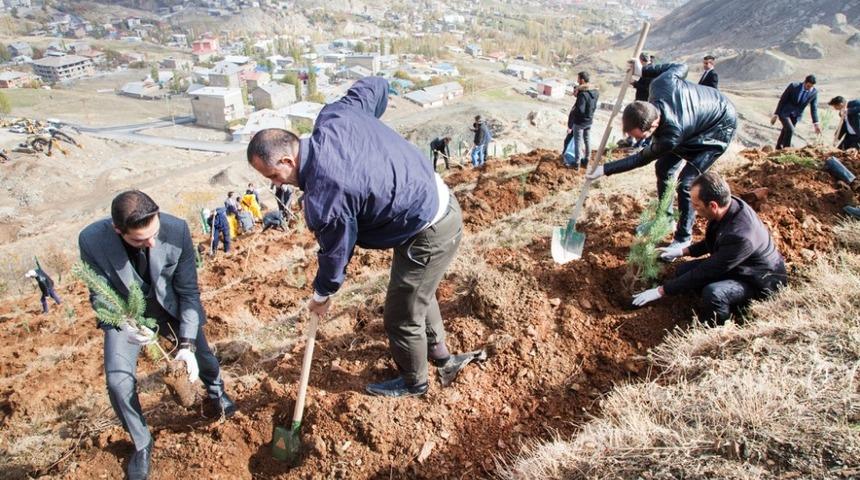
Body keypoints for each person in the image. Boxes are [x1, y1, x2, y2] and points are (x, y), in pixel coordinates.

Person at [246, 77, 476, 398]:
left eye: (274, 176)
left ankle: (414, 382)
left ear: (287, 160)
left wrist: (322, 295)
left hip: (428, 224)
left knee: (400, 314)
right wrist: (368, 129)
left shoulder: (325, 195)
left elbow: (336, 255)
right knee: (417, 290)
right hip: (427, 203)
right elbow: (375, 85)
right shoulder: (337, 116)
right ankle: (440, 356)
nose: (278, 185)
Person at [78, 190, 235, 480]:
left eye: (154, 233)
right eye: (139, 239)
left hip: (170, 306)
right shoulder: (92, 240)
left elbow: (189, 293)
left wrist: (185, 345)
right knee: (117, 381)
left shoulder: (176, 229)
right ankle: (142, 442)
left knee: (203, 356)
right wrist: (126, 323)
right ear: (118, 230)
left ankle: (216, 393)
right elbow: (99, 295)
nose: (150, 242)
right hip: (127, 315)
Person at [586, 62, 737, 251]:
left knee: (687, 182)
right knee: (663, 168)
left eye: (641, 137)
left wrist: (604, 169)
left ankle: (683, 238)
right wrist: (643, 70)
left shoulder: (671, 136)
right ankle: (665, 219)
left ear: (654, 126)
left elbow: (640, 158)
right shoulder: (659, 83)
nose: (638, 141)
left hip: (718, 127)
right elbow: (681, 66)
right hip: (697, 116)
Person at [631, 172, 787, 324]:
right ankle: (695, 304)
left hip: (759, 282)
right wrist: (682, 251)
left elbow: (706, 271)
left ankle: (717, 325)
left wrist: (660, 291)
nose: (694, 209)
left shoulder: (740, 236)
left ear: (713, 205)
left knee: (714, 293)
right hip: (738, 265)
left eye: (696, 205)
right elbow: (714, 239)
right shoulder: (728, 206)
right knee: (682, 271)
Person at [772, 74, 821, 150]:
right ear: (804, 82)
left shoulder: (814, 92)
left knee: (785, 131)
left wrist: (816, 123)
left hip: (796, 116)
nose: (809, 88)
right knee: (790, 129)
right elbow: (783, 100)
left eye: (811, 87)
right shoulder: (794, 86)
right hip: (785, 112)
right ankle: (787, 149)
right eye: (808, 86)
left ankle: (778, 148)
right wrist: (776, 114)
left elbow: (813, 108)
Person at [563, 71, 599, 170]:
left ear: (582, 80)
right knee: (587, 140)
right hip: (589, 121)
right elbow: (594, 106)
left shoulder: (583, 94)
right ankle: (586, 161)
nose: (577, 81)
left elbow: (580, 109)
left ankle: (576, 163)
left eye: (578, 79)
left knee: (578, 142)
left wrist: (574, 120)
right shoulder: (595, 92)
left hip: (580, 122)